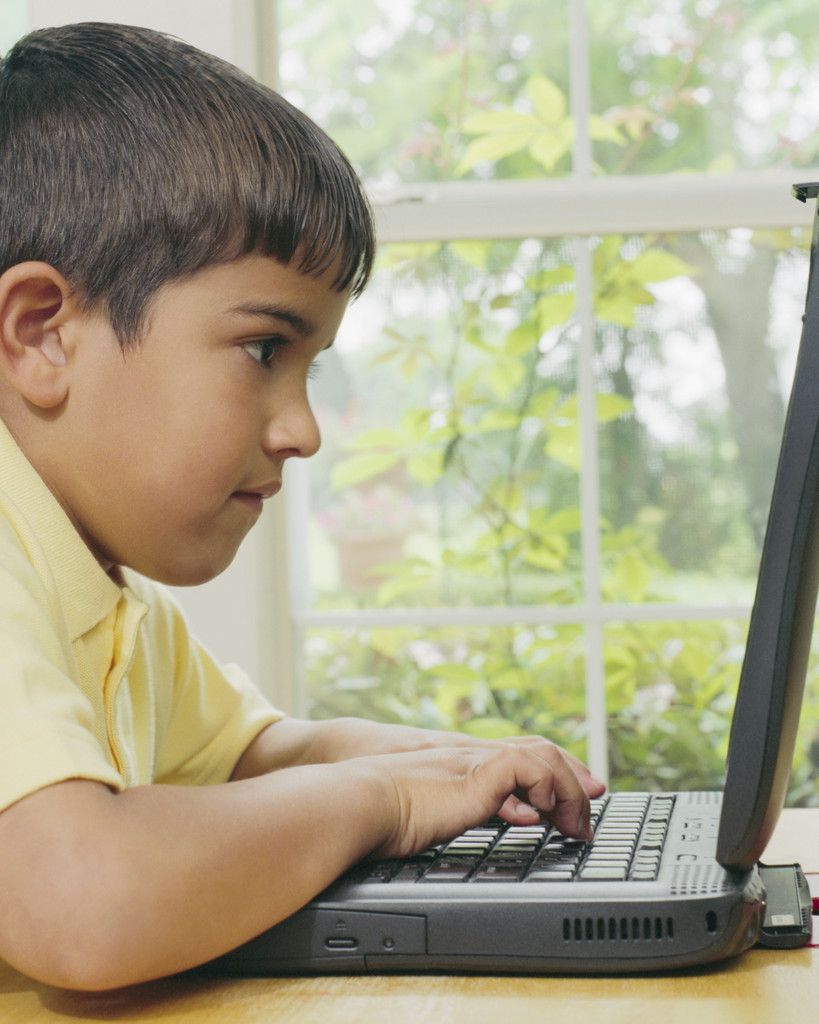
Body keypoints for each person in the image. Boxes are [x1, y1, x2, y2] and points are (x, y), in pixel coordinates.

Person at [0, 21, 605, 991]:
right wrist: (385, 798)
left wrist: (464, 768)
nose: (304, 430)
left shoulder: (108, 592)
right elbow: (84, 901)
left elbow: (262, 754)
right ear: (41, 335)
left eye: (311, 365)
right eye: (265, 350)